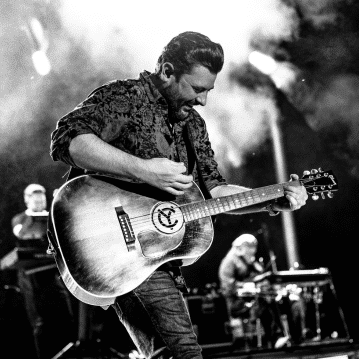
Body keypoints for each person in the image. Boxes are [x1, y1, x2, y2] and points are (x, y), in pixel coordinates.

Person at [49, 31, 308, 359]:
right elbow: (66, 139)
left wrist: (272, 198)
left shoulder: (194, 126)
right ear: (168, 72)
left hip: (154, 259)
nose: (203, 101)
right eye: (197, 89)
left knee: (166, 353)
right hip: (109, 238)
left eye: (208, 91)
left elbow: (216, 191)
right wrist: (142, 170)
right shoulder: (126, 97)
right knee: (182, 353)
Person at [11, 183, 75, 359]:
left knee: (65, 317)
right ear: (26, 200)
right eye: (35, 198)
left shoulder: (53, 216)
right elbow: (21, 233)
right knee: (40, 322)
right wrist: (34, 216)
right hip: (31, 276)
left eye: (42, 198)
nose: (40, 201)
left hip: (53, 271)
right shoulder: (20, 219)